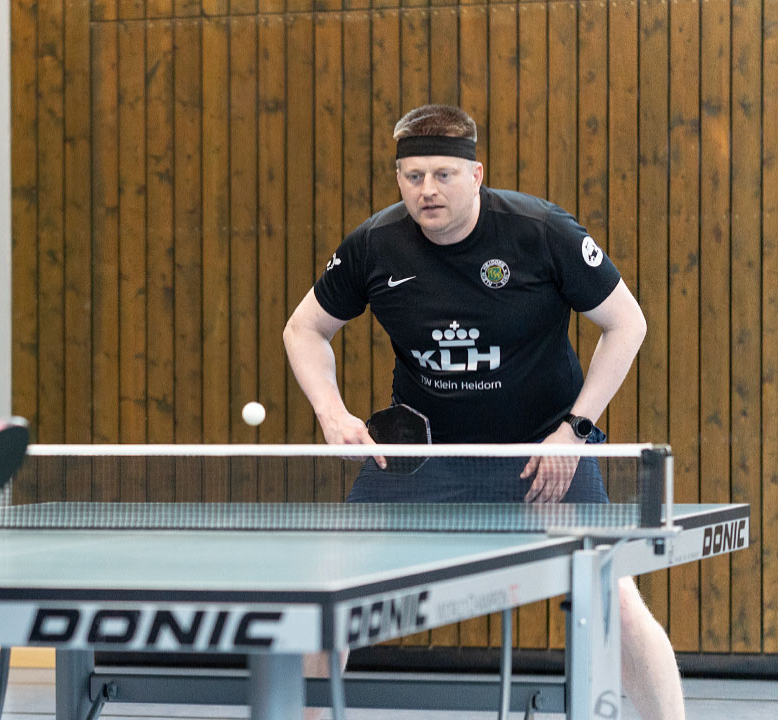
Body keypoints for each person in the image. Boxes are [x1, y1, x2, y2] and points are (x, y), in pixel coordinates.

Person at [283, 104, 682, 719]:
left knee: (614, 601)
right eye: (414, 176)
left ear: (476, 174)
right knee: (330, 595)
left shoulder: (541, 231)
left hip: (543, 454)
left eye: (443, 174)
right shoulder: (374, 245)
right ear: (398, 179)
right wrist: (332, 414)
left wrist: (573, 432)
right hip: (422, 456)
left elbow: (627, 323)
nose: (428, 190)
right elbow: (304, 328)